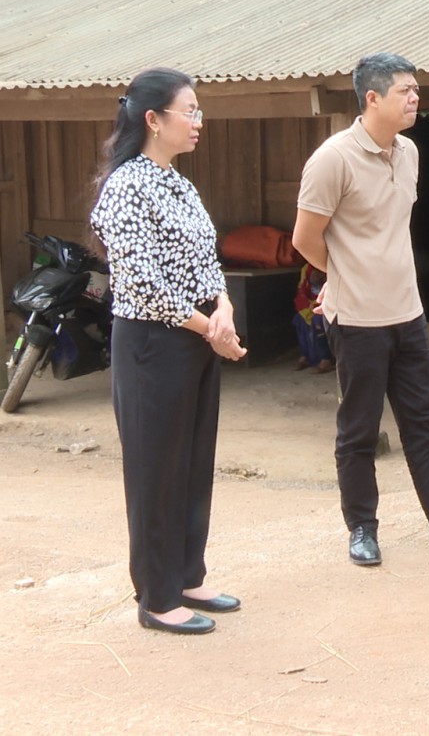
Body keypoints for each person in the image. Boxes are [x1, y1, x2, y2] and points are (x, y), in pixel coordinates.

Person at [292, 52, 429, 567]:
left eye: (416, 90)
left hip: (407, 313)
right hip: (357, 318)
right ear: (372, 98)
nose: (415, 98)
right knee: (359, 429)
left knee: (424, 422)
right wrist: (347, 273)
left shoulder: (409, 151)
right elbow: (305, 238)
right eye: (404, 91)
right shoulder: (333, 158)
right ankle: (362, 529)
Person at [90, 68, 247, 635]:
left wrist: (223, 309)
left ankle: (187, 573)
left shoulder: (181, 183)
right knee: (156, 466)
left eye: (199, 110)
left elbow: (208, 259)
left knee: (193, 458)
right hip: (154, 343)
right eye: (190, 110)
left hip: (198, 334)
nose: (199, 121)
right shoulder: (127, 185)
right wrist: (211, 328)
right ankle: (157, 597)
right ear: (154, 119)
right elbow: (144, 282)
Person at [292, 264, 334, 373]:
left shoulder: (332, 265)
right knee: (299, 319)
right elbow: (301, 290)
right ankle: (304, 356)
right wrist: (308, 306)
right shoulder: (306, 269)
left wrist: (318, 305)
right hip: (310, 305)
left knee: (318, 321)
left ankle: (326, 360)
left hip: (328, 305)